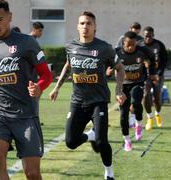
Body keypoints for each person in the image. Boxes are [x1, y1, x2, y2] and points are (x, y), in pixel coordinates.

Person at [0, 0, 52, 179]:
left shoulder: (27, 43)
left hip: (25, 115)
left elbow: (46, 75)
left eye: (0, 19)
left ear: (10, 17)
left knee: (32, 173)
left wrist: (39, 88)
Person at [49, 11, 126, 180]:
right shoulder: (71, 47)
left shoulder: (104, 48)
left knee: (101, 142)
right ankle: (89, 135)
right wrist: (57, 88)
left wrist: (119, 90)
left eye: (89, 23)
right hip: (77, 102)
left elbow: (120, 68)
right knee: (70, 142)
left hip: (98, 101)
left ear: (95, 27)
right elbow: (68, 67)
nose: (85, 26)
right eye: (82, 23)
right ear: (78, 26)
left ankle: (109, 172)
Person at [115, 31, 154, 151]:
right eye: (128, 45)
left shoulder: (143, 51)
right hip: (122, 86)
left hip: (138, 83)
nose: (131, 47)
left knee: (136, 102)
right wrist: (108, 70)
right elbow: (108, 65)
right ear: (123, 43)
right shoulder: (116, 53)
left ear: (136, 43)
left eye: (133, 44)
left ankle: (139, 124)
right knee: (123, 115)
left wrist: (151, 71)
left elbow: (152, 60)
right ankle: (127, 140)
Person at [143, 26, 168, 131]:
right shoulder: (140, 45)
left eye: (149, 36)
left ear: (153, 35)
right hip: (145, 75)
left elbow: (165, 61)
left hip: (157, 74)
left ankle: (158, 114)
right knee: (145, 95)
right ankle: (149, 117)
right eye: (146, 36)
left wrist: (159, 74)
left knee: (157, 97)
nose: (147, 38)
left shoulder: (159, 45)